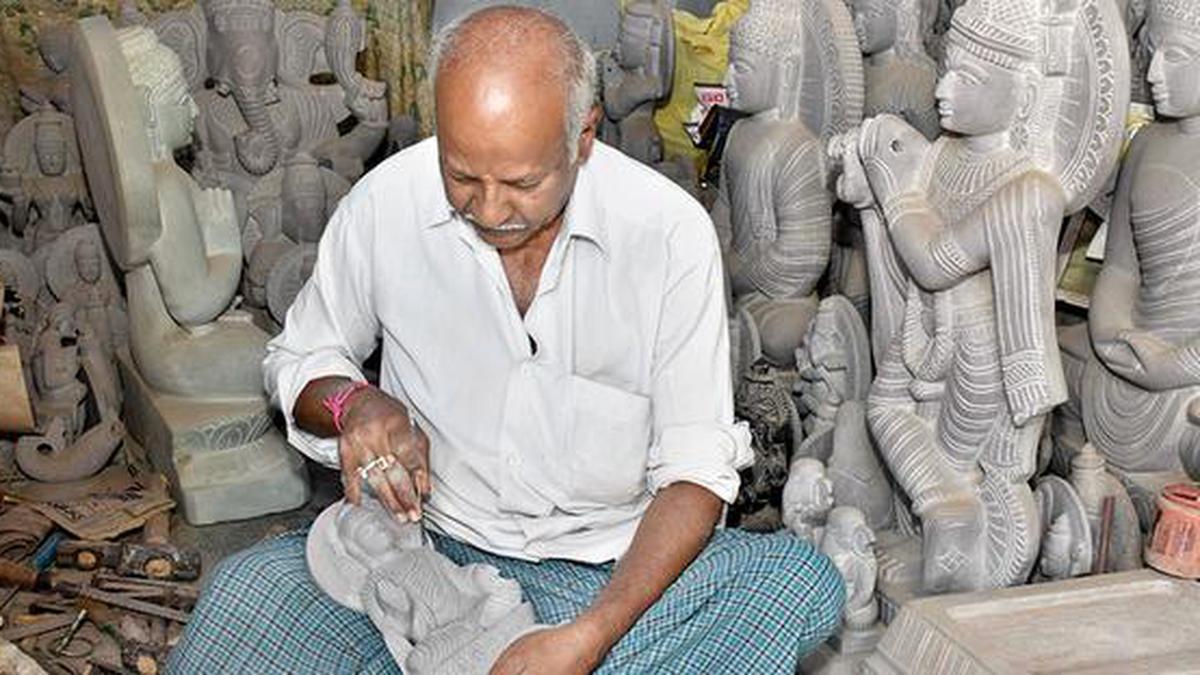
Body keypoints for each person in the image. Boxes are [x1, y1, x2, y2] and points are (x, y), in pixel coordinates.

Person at [168, 7, 844, 673]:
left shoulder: (668, 235)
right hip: (429, 553)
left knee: (797, 580)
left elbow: (695, 473)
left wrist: (589, 637)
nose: (488, 210)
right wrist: (354, 404)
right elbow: (298, 360)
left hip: (607, 570)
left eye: (522, 183)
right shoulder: (387, 204)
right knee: (246, 595)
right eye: (462, 175)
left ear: (582, 137)